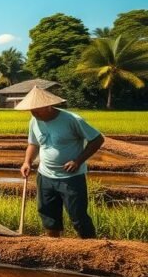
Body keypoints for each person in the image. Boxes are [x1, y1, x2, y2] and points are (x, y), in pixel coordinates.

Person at [17, 87, 104, 239]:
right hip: (45, 176)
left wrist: (78, 161)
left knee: (78, 216)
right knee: (48, 215)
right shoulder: (34, 121)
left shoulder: (72, 120)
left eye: (37, 110)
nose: (34, 113)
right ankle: (54, 245)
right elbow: (34, 144)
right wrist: (27, 162)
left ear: (48, 106)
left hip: (71, 177)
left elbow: (97, 139)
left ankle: (91, 246)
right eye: (31, 110)